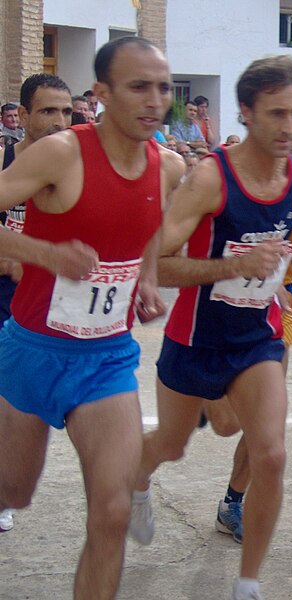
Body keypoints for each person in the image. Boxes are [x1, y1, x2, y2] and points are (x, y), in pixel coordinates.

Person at [127, 54, 292, 600]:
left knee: (272, 453)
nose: (290, 128)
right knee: (171, 445)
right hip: (195, 339)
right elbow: (158, 263)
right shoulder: (209, 179)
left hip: (257, 336)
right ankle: (139, 482)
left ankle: (248, 584)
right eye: (276, 114)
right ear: (245, 111)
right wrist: (233, 266)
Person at [0, 36, 183, 599]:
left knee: (111, 513)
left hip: (105, 359)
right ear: (101, 94)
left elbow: (150, 233)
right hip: (32, 352)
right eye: (138, 87)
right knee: (15, 491)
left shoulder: (167, 167)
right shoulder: (62, 154)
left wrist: (147, 279)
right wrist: (43, 254)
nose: (155, 101)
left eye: (164, 88)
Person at [208, 92, 292, 545]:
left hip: (275, 306)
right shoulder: (226, 170)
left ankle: (233, 501)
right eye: (289, 125)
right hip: (213, 303)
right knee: (225, 421)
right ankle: (206, 395)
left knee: (268, 417)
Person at [0, 73, 75, 533]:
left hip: (52, 299)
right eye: (48, 111)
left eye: (67, 112)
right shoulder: (5, 161)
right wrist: (16, 255)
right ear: (24, 116)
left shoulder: (73, 164)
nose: (59, 121)